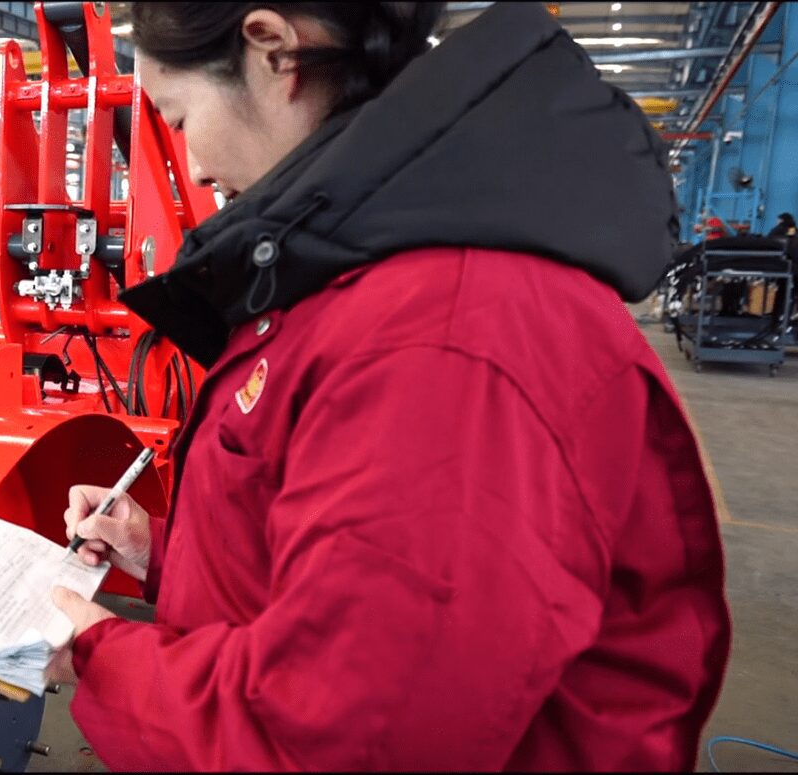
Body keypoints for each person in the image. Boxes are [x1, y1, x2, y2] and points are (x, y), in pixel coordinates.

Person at [45, 3, 730, 771]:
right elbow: (346, 581)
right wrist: (161, 551)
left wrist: (101, 654)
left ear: (272, 49)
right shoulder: (368, 273)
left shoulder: (445, 336)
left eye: (179, 116)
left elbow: (352, 736)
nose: (196, 166)